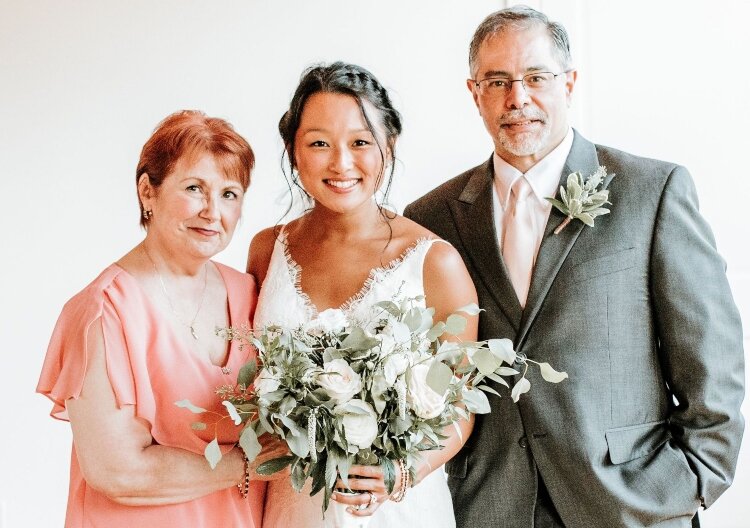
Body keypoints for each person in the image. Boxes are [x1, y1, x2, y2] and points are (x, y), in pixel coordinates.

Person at [403, 5, 745, 528]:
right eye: (497, 81)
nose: (517, 98)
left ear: (569, 83)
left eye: (536, 77)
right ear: (474, 93)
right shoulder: (432, 218)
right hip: (496, 506)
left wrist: (692, 481)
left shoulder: (650, 191)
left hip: (630, 507)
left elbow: (711, 364)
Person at [247, 62, 479, 528]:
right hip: (293, 507)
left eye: (360, 142)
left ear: (387, 148)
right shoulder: (266, 249)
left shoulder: (433, 261)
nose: (341, 163)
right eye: (319, 143)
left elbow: (460, 400)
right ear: (294, 152)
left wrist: (405, 470)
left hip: (398, 510)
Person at [37, 110, 287, 528]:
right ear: (147, 192)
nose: (212, 211)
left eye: (229, 193)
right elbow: (119, 471)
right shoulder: (103, 311)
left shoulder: (249, 294)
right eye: (194, 188)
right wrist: (260, 460)